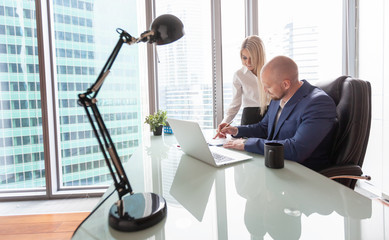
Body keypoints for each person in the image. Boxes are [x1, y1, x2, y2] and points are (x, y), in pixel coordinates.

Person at [219, 56, 337, 171]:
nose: (265, 91)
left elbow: (297, 149)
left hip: (303, 173)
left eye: (268, 86)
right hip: (276, 164)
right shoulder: (278, 98)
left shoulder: (318, 103)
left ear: (286, 84)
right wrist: (236, 130)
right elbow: (264, 128)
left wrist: (246, 143)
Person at [220, 35, 270, 127]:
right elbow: (235, 104)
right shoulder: (239, 75)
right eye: (245, 58)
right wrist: (224, 123)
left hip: (270, 117)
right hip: (249, 119)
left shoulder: (271, 72)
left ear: (260, 56)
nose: (248, 62)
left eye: (252, 58)